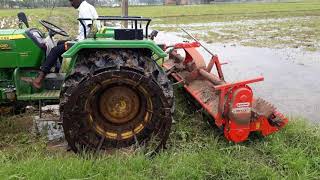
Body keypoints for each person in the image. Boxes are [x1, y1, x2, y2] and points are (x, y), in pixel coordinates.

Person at [32, 0, 99, 89]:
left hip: (83, 41)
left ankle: (39, 79)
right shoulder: (88, 6)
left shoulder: (84, 9)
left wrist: (80, 42)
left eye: (72, 1)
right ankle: (58, 72)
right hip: (82, 40)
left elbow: (91, 27)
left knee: (55, 50)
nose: (71, 4)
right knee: (59, 43)